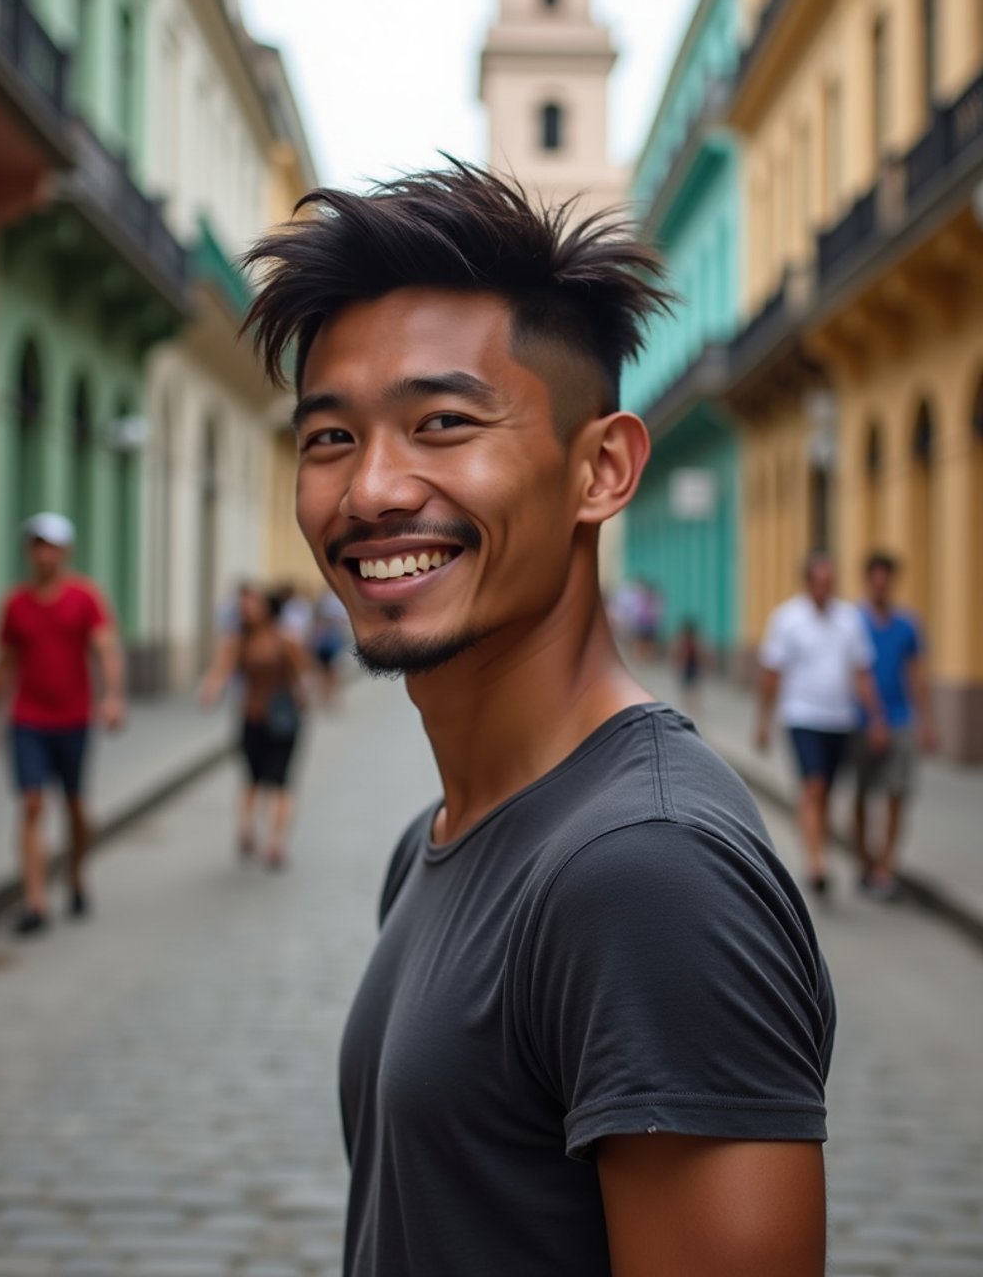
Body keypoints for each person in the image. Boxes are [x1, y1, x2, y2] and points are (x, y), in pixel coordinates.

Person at [244, 161, 835, 1277]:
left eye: (442, 423)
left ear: (600, 469)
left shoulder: (646, 873)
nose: (370, 490)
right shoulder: (440, 837)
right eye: (329, 439)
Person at [0, 512, 125, 934]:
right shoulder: (15, 604)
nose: (44, 554)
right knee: (32, 803)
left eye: (52, 546)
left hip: (74, 718)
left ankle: (76, 873)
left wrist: (112, 696)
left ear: (65, 552)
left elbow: (106, 649)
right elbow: (2, 667)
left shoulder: (85, 597)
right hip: (27, 719)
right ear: (28, 551)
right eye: (37, 545)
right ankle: (35, 901)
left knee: (75, 807)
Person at [756, 551, 886, 896]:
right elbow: (773, 673)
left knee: (826, 790)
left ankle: (818, 847)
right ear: (808, 582)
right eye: (819, 581)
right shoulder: (787, 619)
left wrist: (875, 718)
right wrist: (763, 722)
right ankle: (817, 864)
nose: (825, 588)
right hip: (802, 716)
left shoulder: (849, 619)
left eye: (830, 582)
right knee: (813, 786)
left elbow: (862, 672)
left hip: (841, 720)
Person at [201, 584, 310, 868]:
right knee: (251, 778)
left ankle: (275, 842)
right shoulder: (237, 641)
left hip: (284, 719)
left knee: (281, 781)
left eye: (252, 603)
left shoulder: (285, 639)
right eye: (243, 604)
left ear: (266, 607)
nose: (246, 608)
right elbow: (222, 669)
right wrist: (211, 689)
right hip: (251, 717)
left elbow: (303, 672)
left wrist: (305, 695)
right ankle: (247, 828)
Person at [853, 551, 937, 900]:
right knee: (861, 795)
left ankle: (886, 866)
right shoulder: (853, 621)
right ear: (868, 580)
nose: (881, 585)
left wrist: (926, 720)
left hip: (901, 720)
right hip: (859, 721)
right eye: (876, 578)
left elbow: (916, 674)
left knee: (897, 793)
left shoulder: (907, 625)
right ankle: (865, 860)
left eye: (887, 578)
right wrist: (873, 719)